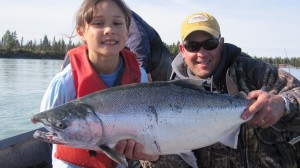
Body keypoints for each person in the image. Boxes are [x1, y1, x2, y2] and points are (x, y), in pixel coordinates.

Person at [140, 12, 300, 168]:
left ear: (221, 43)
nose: (202, 53)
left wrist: (284, 103)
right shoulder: (169, 97)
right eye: (192, 46)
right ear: (182, 49)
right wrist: (153, 158)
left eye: (210, 44)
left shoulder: (255, 73)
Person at [40, 0, 158, 167]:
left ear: (127, 30)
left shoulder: (140, 76)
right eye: (98, 23)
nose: (109, 30)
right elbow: (49, 124)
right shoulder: (64, 82)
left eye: (117, 23)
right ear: (81, 32)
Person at [125, 11, 173, 81]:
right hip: (150, 61)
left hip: (158, 63)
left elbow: (138, 39)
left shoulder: (121, 12)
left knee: (157, 90)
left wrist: (144, 71)